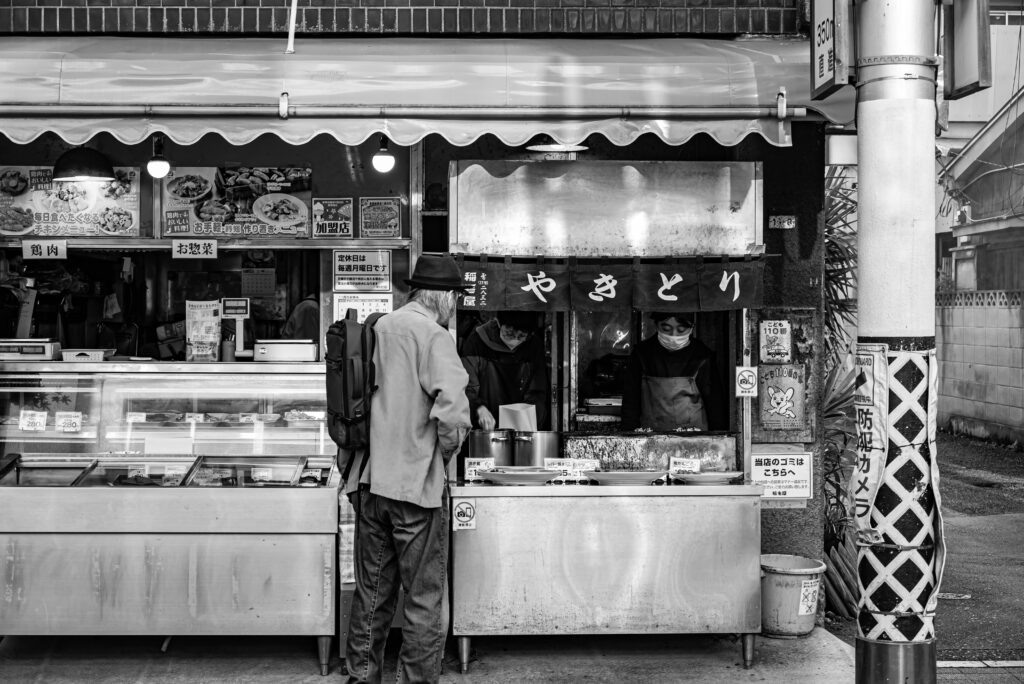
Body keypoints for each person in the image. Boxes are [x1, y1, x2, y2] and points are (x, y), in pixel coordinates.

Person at [342, 254, 471, 684]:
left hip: (368, 481)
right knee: (423, 599)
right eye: (456, 297)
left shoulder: (378, 328)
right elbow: (452, 417)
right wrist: (444, 459)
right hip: (415, 489)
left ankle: (362, 677)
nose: (456, 305)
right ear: (444, 297)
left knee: (372, 593)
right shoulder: (434, 336)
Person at [620, 312, 728, 432]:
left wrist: (719, 439)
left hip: (694, 438)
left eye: (681, 329)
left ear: (692, 327)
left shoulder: (702, 356)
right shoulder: (641, 354)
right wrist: (628, 435)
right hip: (650, 437)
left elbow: (715, 404)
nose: (673, 335)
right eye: (666, 329)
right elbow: (631, 402)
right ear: (656, 326)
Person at [460, 310, 549, 430]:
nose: (515, 340)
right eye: (509, 333)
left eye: (521, 336)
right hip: (485, 428)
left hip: (522, 428)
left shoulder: (533, 345)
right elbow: (466, 385)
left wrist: (532, 418)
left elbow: (537, 391)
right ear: (498, 323)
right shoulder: (477, 341)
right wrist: (478, 408)